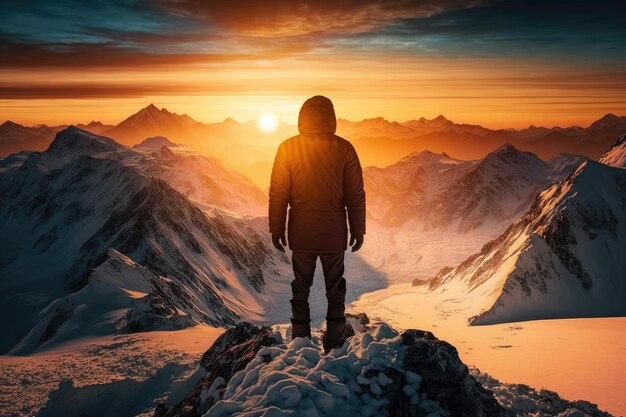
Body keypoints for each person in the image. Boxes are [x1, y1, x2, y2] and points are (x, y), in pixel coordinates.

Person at [268, 95, 366, 353]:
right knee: (336, 289)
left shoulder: (287, 147)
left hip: (302, 232)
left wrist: (276, 228)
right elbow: (355, 195)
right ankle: (334, 341)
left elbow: (278, 192)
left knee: (300, 288)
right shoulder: (344, 148)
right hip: (334, 233)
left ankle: (301, 341)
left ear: (303, 118)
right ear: (331, 118)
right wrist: (358, 229)